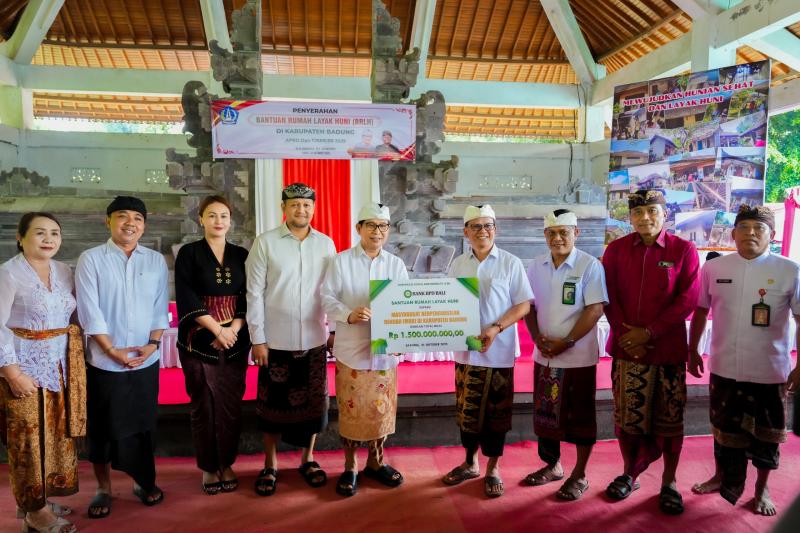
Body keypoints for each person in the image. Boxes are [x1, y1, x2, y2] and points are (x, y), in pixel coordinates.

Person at [688, 205, 800, 516]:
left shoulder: (790, 270)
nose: (751, 233)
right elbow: (700, 311)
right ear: (733, 233)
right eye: (745, 227)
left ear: (772, 236)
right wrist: (693, 349)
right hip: (724, 365)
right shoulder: (715, 268)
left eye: (759, 228)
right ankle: (720, 475)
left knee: (768, 434)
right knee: (722, 427)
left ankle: (761, 489)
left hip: (770, 369)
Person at [602, 189, 699, 515]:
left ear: (665, 214)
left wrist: (651, 332)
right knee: (627, 420)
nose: (645, 218)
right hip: (628, 350)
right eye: (638, 213)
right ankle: (630, 473)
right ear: (630, 217)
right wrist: (625, 333)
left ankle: (669, 482)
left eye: (652, 212)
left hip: (667, 351)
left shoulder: (683, 250)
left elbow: (687, 299)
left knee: (670, 421)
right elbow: (608, 297)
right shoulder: (615, 250)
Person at [76, 196, 169, 518]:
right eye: (122, 216)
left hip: (145, 358)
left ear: (144, 224)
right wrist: (110, 350)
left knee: (144, 423)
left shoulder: (155, 261)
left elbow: (160, 308)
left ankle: (143, 481)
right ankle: (103, 488)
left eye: (137, 218)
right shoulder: (91, 259)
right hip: (104, 362)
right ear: (109, 221)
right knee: (103, 427)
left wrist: (153, 345)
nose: (130, 223)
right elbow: (90, 311)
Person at [245, 183, 336, 496]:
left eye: (307, 205)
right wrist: (258, 338)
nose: (301, 210)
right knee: (271, 409)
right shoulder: (266, 243)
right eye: (295, 204)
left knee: (314, 406)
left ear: (314, 208)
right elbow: (254, 292)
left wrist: (334, 329)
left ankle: (307, 458)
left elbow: (332, 292)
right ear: (283, 207)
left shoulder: (325, 244)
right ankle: (269, 464)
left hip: (313, 338)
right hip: (275, 342)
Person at [0, 212, 85, 533]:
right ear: (21, 238)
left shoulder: (64, 271)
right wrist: (12, 373)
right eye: (39, 233)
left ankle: (40, 498)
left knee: (52, 437)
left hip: (59, 367)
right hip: (22, 367)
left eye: (54, 233)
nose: (49, 239)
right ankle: (34, 511)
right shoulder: (8, 274)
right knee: (26, 442)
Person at [441, 205, 532, 498]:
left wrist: (495, 328)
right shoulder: (457, 265)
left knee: (496, 413)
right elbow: (446, 303)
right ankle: (470, 463)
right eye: (476, 226)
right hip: (465, 353)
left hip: (499, 352)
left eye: (488, 226)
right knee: (467, 412)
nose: (483, 231)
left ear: (496, 229)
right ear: (466, 232)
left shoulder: (510, 262)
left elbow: (523, 305)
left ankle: (493, 467)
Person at [320, 202, 408, 497]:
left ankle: (377, 462)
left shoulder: (395, 264)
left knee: (381, 410)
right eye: (370, 225)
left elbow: (404, 305)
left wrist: (401, 339)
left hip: (384, 353)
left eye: (382, 226)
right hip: (352, 349)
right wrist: (348, 314)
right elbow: (326, 297)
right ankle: (349, 466)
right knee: (352, 411)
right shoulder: (341, 261)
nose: (377, 231)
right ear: (358, 229)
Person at [523, 209, 608, 501]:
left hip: (578, 358)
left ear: (576, 233)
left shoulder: (589, 265)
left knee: (581, 415)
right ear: (545, 235)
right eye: (552, 233)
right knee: (546, 414)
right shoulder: (536, 266)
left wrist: (567, 341)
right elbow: (529, 307)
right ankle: (553, 465)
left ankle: (580, 474)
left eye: (564, 232)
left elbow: (595, 308)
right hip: (545, 355)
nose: (557, 238)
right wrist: (536, 338)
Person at [175, 195, 251, 495]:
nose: (218, 221)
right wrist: (216, 329)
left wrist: (233, 327)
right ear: (201, 219)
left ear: (230, 220)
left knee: (231, 405)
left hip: (236, 338)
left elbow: (249, 294)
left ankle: (228, 462)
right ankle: (209, 466)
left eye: (223, 215)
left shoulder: (242, 254)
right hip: (199, 339)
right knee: (203, 405)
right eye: (211, 215)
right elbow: (186, 295)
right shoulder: (189, 253)